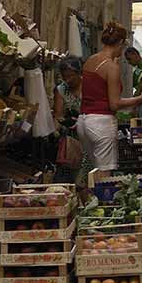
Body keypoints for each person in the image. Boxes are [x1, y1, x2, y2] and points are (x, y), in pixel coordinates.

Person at [77, 22, 142, 171]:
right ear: (121, 43)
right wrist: (140, 98)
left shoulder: (90, 60)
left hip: (84, 122)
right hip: (101, 123)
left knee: (93, 170)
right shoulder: (111, 68)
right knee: (104, 175)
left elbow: (97, 86)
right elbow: (114, 104)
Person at [53, 56, 90, 188]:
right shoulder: (61, 90)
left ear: (79, 73)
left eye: (70, 76)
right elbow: (58, 115)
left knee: (90, 178)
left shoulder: (90, 86)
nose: (67, 80)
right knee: (77, 180)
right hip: (73, 141)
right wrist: (59, 128)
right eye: (64, 77)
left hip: (90, 136)